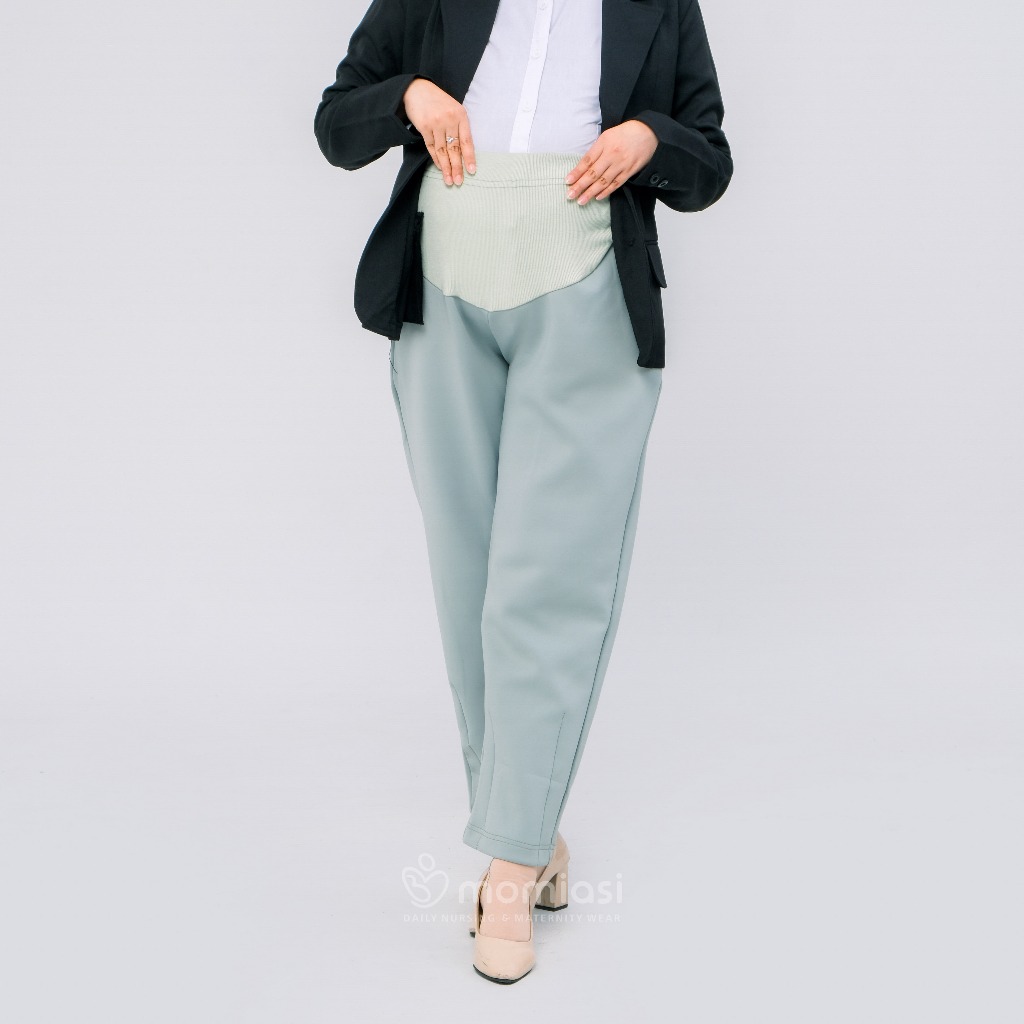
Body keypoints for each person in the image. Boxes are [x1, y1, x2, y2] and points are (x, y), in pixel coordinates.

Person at [314, 0, 732, 984]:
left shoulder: (658, 4)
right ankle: (528, 828)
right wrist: (413, 97)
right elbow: (338, 124)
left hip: (585, 288)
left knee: (546, 581)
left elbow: (709, 162)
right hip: (443, 286)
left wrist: (650, 137)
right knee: (469, 583)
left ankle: (507, 867)